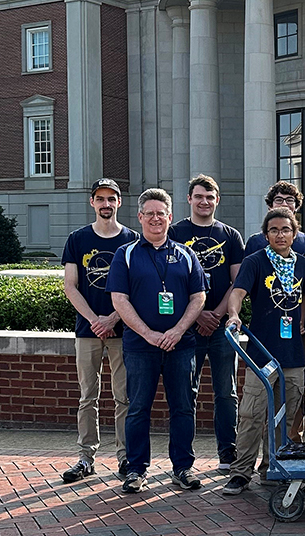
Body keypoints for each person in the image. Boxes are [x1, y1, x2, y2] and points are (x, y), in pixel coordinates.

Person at [107, 188, 208, 494]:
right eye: (149, 213)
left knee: (183, 408)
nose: (155, 219)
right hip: (140, 347)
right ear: (139, 217)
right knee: (138, 408)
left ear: (170, 217)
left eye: (160, 213)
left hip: (181, 345)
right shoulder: (125, 255)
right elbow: (119, 300)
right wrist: (148, 333)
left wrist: (177, 330)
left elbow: (199, 297)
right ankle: (136, 470)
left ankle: (183, 468)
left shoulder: (186, 255)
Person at [222, 207, 305, 495]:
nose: (280, 234)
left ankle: (271, 468)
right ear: (266, 235)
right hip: (261, 353)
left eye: (285, 229)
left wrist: (302, 319)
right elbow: (237, 293)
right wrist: (234, 315)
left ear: (294, 233)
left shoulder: (304, 264)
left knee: (284, 416)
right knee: (251, 414)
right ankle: (240, 472)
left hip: (294, 355)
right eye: (273, 230)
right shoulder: (255, 262)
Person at [59, 177, 137, 483]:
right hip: (87, 330)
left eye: (111, 198)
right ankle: (85, 458)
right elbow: (70, 286)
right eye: (100, 198)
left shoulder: (131, 240)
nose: (106, 204)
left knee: (124, 398)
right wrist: (95, 319)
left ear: (119, 202)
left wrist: (112, 319)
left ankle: (125, 457)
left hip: (122, 331)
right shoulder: (77, 239)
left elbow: (136, 288)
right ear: (92, 202)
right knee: (87, 396)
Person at [168, 174, 245, 473]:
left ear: (217, 200)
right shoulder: (174, 232)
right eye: (199, 196)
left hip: (223, 328)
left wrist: (216, 315)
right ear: (189, 199)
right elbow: (171, 282)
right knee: (186, 392)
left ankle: (227, 453)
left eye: (210, 197)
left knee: (226, 393)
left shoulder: (230, 235)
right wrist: (198, 314)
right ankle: (184, 458)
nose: (204, 202)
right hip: (188, 328)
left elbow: (238, 281)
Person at [243, 181, 305, 263]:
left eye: (289, 200)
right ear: (270, 205)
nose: (284, 204)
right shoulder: (255, 242)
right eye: (279, 200)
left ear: (296, 206)